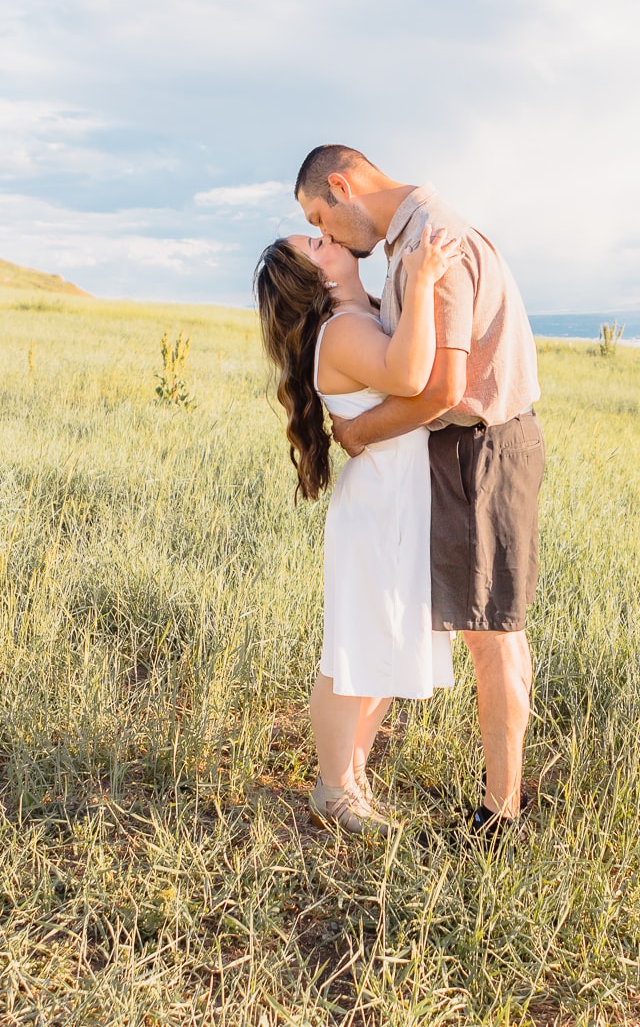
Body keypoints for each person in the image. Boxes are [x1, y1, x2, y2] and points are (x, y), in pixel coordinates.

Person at [294, 144, 545, 839]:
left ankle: (500, 815)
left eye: (320, 218)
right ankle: (347, 780)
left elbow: (440, 388)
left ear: (342, 186)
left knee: (492, 633)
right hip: (446, 457)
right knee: (456, 630)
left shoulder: (434, 241)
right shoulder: (407, 248)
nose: (327, 234)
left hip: (481, 447)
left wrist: (356, 432)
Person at [253, 224, 459, 836]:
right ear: (318, 280)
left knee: (386, 644)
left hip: (399, 498)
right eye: (317, 245)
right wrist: (423, 280)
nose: (330, 238)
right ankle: (332, 787)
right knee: (353, 649)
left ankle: (353, 776)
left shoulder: (361, 312)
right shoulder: (341, 331)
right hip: (377, 507)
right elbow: (409, 376)